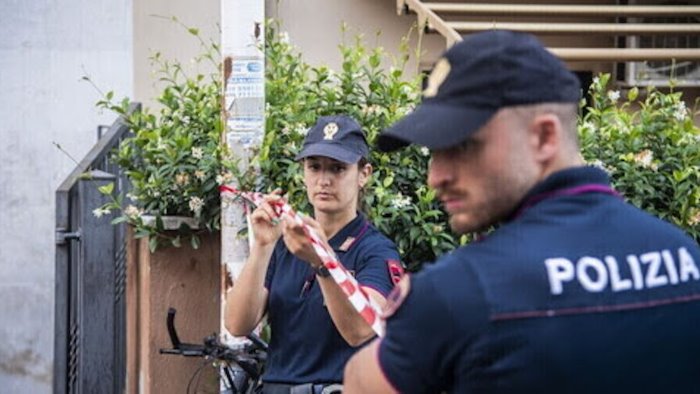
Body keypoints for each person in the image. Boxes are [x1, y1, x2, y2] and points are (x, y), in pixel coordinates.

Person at [343, 30, 700, 393]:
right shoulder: (685, 258)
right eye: (435, 151)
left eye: (462, 145)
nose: (436, 177)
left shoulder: (462, 291)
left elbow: (361, 384)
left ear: (544, 137)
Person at [225, 114, 402, 394]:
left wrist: (323, 263)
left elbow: (360, 331)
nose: (324, 180)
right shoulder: (286, 244)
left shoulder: (376, 251)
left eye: (338, 168)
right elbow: (237, 323)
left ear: (364, 174)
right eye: (314, 167)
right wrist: (261, 246)